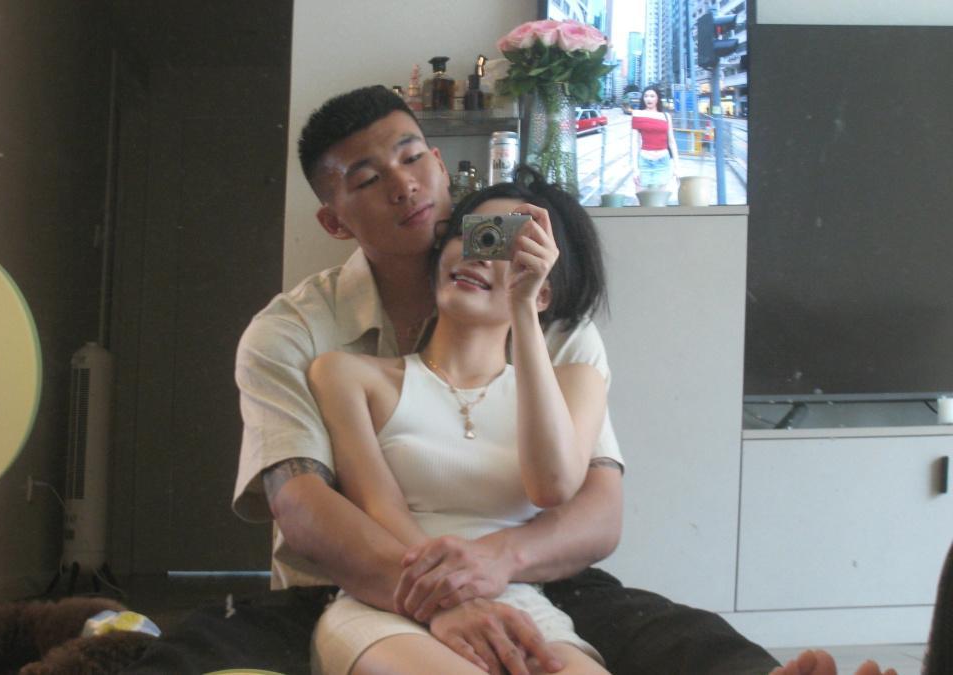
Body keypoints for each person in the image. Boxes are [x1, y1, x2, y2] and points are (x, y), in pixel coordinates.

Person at [124, 85, 894, 675]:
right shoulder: (293, 335)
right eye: (368, 177)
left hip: (535, 573)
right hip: (349, 580)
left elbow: (595, 507)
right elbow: (303, 507)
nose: (404, 185)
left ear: (440, 163)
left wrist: (500, 561)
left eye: (413, 155)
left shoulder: (549, 314)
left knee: (681, 639)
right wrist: (438, 597)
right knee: (196, 649)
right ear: (334, 220)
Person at [306, 170, 611, 674]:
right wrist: (449, 600)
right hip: (393, 598)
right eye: (476, 235)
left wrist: (523, 308)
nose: (480, 256)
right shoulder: (348, 376)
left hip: (516, 599)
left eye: (509, 246)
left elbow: (553, 486)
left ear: (546, 290)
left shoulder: (575, 383)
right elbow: (379, 507)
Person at [630, 84, 679, 192]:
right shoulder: (637, 114)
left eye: (652, 96)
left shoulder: (666, 116)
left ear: (657, 98)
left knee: (659, 199)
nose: (649, 99)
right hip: (644, 162)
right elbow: (634, 143)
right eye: (646, 96)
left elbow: (672, 142)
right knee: (642, 198)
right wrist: (635, 169)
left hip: (663, 162)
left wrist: (677, 167)